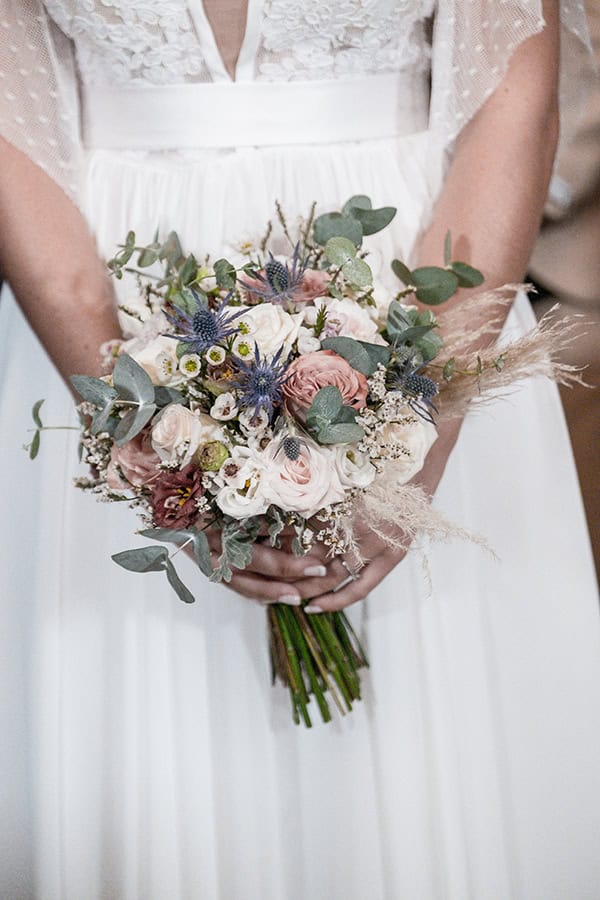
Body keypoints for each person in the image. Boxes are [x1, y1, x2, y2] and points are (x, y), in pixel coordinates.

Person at [1, 2, 599, 898]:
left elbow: (513, 100)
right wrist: (143, 429)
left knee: (424, 753)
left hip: (420, 291)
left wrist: (412, 436)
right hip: (104, 316)